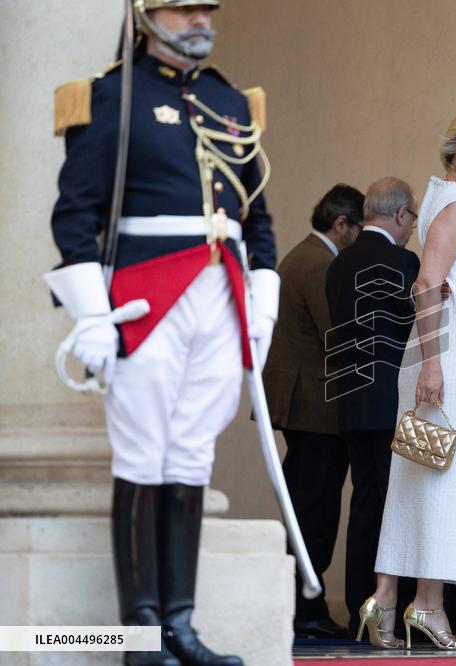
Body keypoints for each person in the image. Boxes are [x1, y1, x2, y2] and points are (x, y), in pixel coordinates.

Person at [44, 2, 275, 665]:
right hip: (146, 296)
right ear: (148, 15)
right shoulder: (110, 95)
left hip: (221, 293)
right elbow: (76, 214)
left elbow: (259, 219)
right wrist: (91, 312)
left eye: (206, 7)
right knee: (143, 455)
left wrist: (261, 306)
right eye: (184, 7)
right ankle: (139, 636)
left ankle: (182, 626)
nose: (199, 19)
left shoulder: (232, 100)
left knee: (191, 456)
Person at [358, 109, 456, 651]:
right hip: (454, 361)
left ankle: (386, 602)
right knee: (449, 485)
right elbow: (426, 284)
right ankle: (430, 606)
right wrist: (435, 364)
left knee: (419, 481)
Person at [262, 184, 364, 640]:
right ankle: (306, 610)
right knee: (314, 510)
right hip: (316, 409)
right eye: (360, 229)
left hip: (305, 405)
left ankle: (305, 606)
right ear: (341, 225)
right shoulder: (322, 263)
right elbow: (338, 335)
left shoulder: (303, 255)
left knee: (307, 506)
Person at [323, 177, 420, 637]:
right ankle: (380, 608)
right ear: (400, 214)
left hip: (350, 401)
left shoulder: (339, 263)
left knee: (364, 505)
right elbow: (413, 334)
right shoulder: (403, 262)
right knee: (391, 509)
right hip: (391, 401)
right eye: (413, 218)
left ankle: (357, 607)